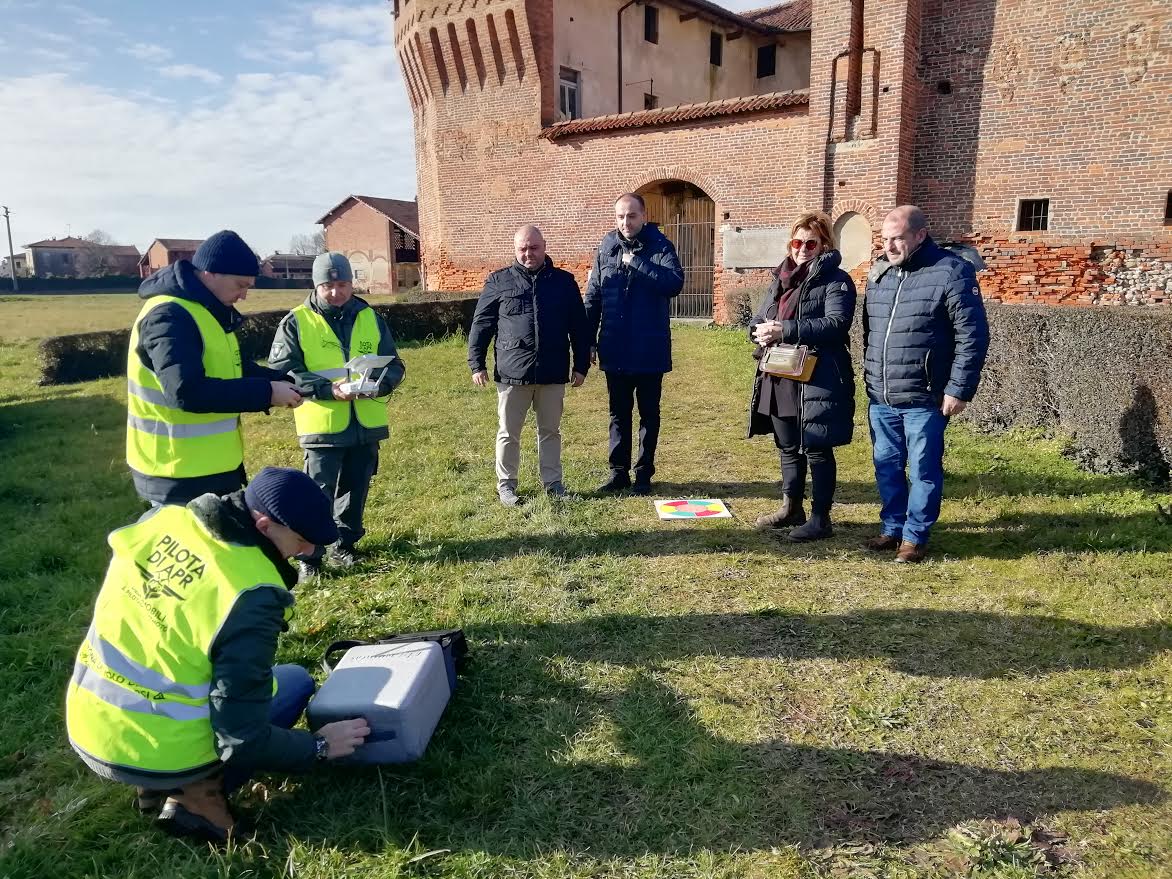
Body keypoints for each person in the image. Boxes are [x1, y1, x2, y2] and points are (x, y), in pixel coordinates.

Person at [65, 467, 372, 843]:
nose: (308, 551)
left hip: (91, 723)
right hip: (159, 746)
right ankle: (196, 799)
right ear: (262, 524)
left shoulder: (162, 520)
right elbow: (242, 738)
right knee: (294, 683)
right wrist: (319, 746)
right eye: (302, 540)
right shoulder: (250, 594)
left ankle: (152, 787)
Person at [127, 230, 303, 506]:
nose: (244, 295)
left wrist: (283, 380)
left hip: (209, 466)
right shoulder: (170, 315)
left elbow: (232, 368)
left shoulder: (207, 310)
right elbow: (186, 391)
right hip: (176, 472)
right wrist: (267, 393)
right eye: (239, 285)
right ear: (210, 273)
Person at [862, 205, 990, 563]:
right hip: (882, 395)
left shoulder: (951, 272)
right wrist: (870, 375)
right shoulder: (881, 273)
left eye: (897, 239)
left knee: (922, 470)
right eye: (885, 239)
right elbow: (871, 331)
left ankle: (914, 537)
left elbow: (973, 335)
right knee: (886, 464)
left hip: (925, 397)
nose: (889, 247)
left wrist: (958, 388)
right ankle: (892, 527)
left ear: (919, 235)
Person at [268, 252, 406, 580]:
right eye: (328, 285)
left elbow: (394, 364)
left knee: (356, 487)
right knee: (317, 493)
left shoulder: (369, 317)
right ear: (316, 285)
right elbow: (282, 373)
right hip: (323, 426)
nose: (336, 292)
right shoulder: (296, 321)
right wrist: (330, 390)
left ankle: (345, 546)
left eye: (343, 284)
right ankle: (310, 557)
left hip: (365, 424)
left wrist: (379, 385)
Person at [747, 211, 857, 541]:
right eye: (797, 242)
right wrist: (758, 332)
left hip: (817, 376)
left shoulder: (836, 280)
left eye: (811, 242)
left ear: (824, 245)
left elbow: (837, 323)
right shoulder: (781, 278)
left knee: (817, 448)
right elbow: (759, 317)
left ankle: (821, 519)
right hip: (778, 371)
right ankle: (791, 507)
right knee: (787, 445)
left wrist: (786, 330)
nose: (802, 249)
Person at [467, 225, 591, 506]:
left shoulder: (564, 282)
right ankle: (506, 486)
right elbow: (482, 324)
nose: (528, 254)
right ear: (515, 249)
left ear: (544, 246)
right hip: (512, 373)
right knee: (509, 432)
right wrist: (477, 363)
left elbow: (579, 328)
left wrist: (581, 364)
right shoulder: (498, 281)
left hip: (553, 370)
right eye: (522, 248)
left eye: (533, 248)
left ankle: (553, 483)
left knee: (550, 432)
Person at [585, 193, 684, 495]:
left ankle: (643, 473)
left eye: (631, 216)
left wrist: (638, 264)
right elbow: (594, 296)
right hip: (614, 344)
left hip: (649, 347)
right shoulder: (606, 247)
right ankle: (618, 473)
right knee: (618, 413)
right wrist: (588, 339)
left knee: (648, 414)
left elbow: (674, 284)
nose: (625, 222)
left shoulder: (660, 245)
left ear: (643, 216)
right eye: (620, 217)